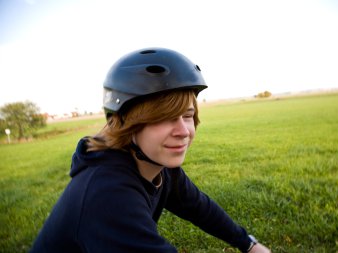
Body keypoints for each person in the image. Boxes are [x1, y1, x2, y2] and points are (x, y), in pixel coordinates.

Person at [29, 47, 271, 253]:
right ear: (124, 122)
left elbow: (199, 208)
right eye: (163, 118)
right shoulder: (107, 194)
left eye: (187, 116)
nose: (183, 131)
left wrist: (249, 244)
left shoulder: (158, 167)